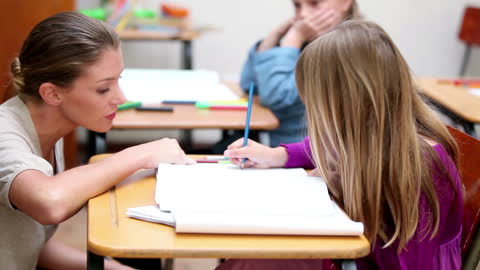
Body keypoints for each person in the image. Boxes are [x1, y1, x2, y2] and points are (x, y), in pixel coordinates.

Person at [219, 20, 463, 270]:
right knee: (257, 258)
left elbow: (406, 264)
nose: (312, 114)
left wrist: (340, 194)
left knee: (261, 260)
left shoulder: (419, 167)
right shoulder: (373, 135)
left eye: (315, 103)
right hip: (347, 253)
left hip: (371, 262)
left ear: (348, 105)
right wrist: (277, 155)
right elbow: (324, 147)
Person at [0, 12, 194, 270]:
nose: (121, 98)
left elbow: (28, 245)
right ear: (52, 93)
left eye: (118, 81)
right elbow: (49, 203)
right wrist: (140, 154)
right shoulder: (5, 134)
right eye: (104, 88)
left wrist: (114, 269)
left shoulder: (47, 130)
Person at [238, 0, 359, 147]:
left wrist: (293, 40)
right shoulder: (306, 41)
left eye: (314, 3)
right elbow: (249, 84)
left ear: (346, 2)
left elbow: (276, 96)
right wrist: (273, 39)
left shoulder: (350, 48)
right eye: (297, 5)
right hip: (283, 152)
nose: (303, 13)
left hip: (311, 158)